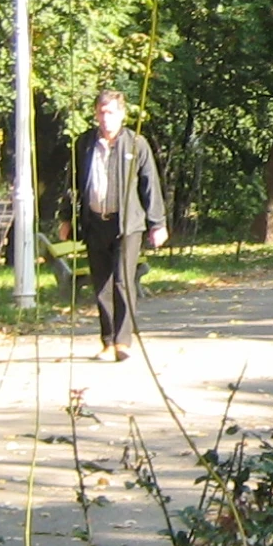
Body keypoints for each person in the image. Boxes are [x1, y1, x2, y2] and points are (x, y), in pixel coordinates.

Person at [72, 88, 166, 361]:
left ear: (122, 115)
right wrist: (68, 218)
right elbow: (75, 184)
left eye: (111, 112)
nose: (105, 118)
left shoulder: (136, 144)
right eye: (101, 113)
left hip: (127, 225)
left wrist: (157, 223)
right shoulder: (84, 144)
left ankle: (123, 342)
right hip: (95, 222)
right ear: (95, 114)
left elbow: (151, 185)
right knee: (101, 283)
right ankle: (107, 341)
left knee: (123, 282)